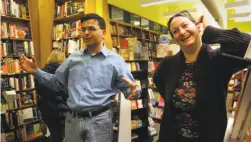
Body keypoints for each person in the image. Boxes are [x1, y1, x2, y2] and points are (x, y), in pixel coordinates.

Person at [19, 13, 140, 142]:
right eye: (83, 29)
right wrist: (35, 71)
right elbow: (56, 83)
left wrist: (134, 92)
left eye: (92, 29)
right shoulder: (73, 58)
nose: (86, 33)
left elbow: (130, 91)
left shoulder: (116, 61)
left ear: (103, 33)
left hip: (99, 121)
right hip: (73, 120)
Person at [153, 10, 251, 142]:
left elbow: (248, 46)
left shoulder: (219, 59)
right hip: (172, 136)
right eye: (175, 31)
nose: (181, 32)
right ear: (175, 40)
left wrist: (211, 31)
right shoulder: (168, 64)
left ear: (197, 27)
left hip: (207, 137)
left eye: (185, 25)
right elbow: (159, 81)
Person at [35, 49, 68, 142]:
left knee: (55, 135)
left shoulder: (40, 72)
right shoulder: (64, 73)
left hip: (47, 111)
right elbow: (66, 93)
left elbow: (38, 91)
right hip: (63, 110)